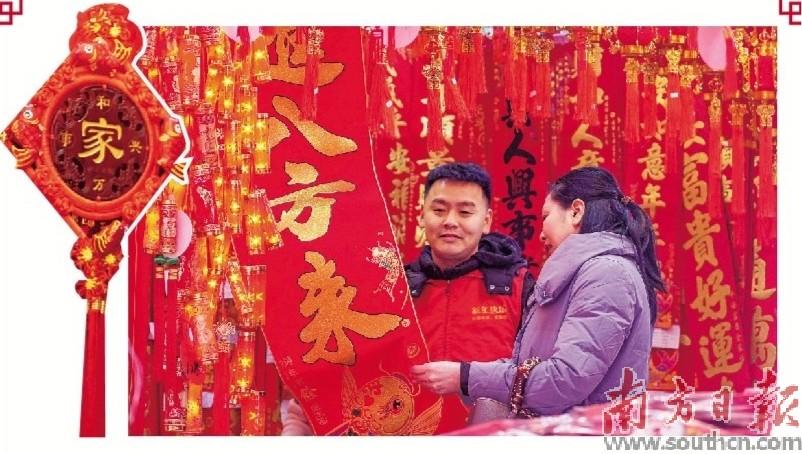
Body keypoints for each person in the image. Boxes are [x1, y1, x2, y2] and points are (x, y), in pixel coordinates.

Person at [282, 162, 534, 434]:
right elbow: (340, 370)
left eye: (465, 212)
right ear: (422, 216)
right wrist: (297, 429)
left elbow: (542, 377)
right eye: (439, 210)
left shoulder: (518, 287)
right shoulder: (391, 288)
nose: (450, 221)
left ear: (486, 221)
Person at [412, 166, 664, 417]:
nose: (541, 234)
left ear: (576, 212)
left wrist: (466, 377)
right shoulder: (588, 275)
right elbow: (526, 366)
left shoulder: (607, 275)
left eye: (545, 216)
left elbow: (564, 381)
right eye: (439, 210)